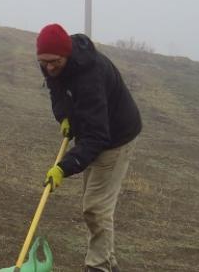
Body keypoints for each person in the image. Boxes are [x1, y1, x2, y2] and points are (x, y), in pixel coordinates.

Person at [37, 23, 141, 272]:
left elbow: (97, 137)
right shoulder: (51, 61)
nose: (49, 67)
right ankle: (108, 261)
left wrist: (63, 168)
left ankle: (98, 266)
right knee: (94, 205)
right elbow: (57, 90)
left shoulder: (90, 76)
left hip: (116, 137)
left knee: (95, 207)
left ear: (67, 54)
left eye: (54, 62)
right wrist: (64, 116)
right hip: (94, 131)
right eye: (44, 62)